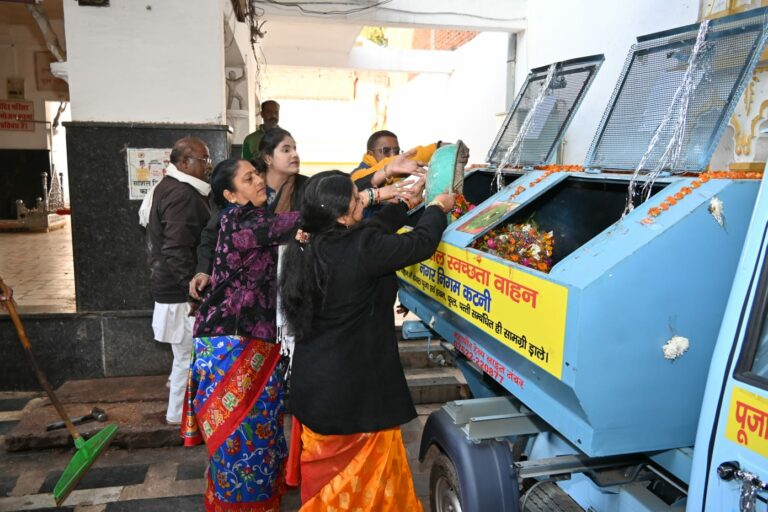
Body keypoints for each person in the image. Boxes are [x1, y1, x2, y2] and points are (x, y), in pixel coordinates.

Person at [279, 170, 456, 510]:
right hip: (355, 397)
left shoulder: (310, 242)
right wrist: (436, 208)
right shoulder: (361, 248)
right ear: (344, 211)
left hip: (316, 387)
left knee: (326, 489)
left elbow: (370, 231)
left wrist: (405, 203)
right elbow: (419, 243)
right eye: (356, 197)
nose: (363, 198)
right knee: (361, 492)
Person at [182, 158, 301, 511]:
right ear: (231, 195)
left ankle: (256, 500)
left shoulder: (246, 218)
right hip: (233, 341)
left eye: (257, 174)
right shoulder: (244, 221)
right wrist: (371, 194)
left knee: (260, 427)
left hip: (248, 338)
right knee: (239, 432)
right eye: (248, 179)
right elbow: (304, 218)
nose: (258, 181)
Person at [144, 137, 212, 425]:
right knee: (186, 358)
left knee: (182, 356)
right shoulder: (182, 194)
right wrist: (191, 291)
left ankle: (179, 414)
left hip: (171, 288)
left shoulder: (172, 187)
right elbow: (176, 248)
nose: (209, 165)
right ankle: (177, 417)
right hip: (179, 294)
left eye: (208, 159)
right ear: (184, 163)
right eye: (203, 159)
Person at [351, 129, 442, 190]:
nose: (393, 155)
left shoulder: (396, 175)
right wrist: (436, 147)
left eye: (397, 151)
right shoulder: (357, 175)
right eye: (386, 150)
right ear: (370, 154)